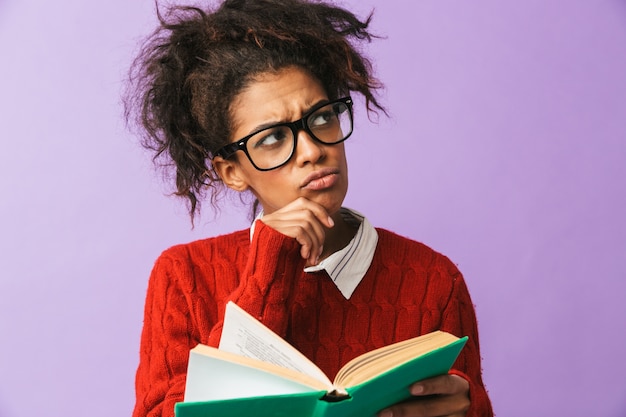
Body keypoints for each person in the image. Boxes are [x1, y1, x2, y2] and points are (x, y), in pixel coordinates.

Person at [125, 0, 493, 416]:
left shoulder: (433, 279)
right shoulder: (183, 276)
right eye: (272, 139)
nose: (313, 151)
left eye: (321, 118)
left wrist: (470, 408)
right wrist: (268, 266)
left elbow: (463, 403)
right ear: (232, 171)